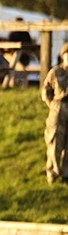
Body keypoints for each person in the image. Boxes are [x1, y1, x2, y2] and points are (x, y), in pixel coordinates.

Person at [42, 44, 68, 184]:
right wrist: (53, 106)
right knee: (55, 140)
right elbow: (46, 92)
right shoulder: (56, 72)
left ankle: (66, 173)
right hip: (58, 107)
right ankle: (52, 172)